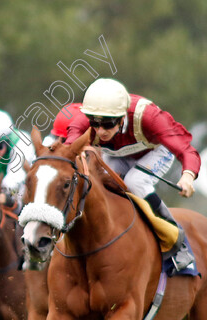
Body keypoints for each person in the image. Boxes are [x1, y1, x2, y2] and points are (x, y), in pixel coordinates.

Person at [65, 78, 200, 271]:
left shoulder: (149, 117)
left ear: (122, 118)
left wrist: (188, 176)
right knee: (100, 184)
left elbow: (185, 149)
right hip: (117, 155)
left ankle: (178, 244)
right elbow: (68, 151)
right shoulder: (83, 120)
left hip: (155, 152)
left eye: (108, 124)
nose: (100, 131)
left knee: (135, 182)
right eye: (94, 123)